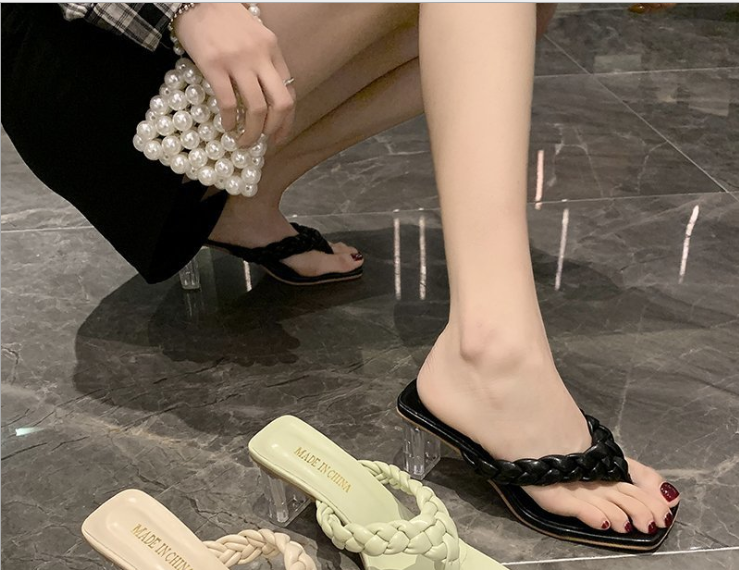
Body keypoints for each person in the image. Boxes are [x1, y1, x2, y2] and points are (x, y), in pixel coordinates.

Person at [1, 3, 680, 541]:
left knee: (517, 12)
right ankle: (492, 351)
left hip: (188, 69)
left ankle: (241, 200)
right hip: (91, 46)